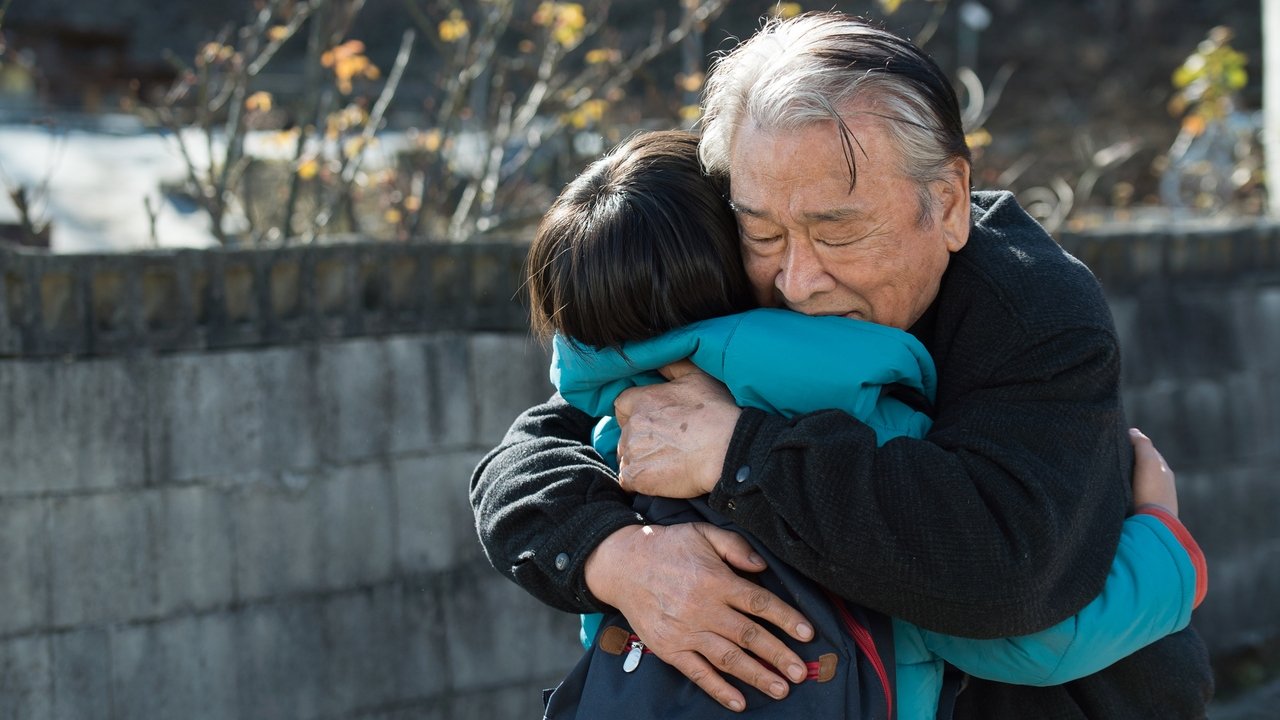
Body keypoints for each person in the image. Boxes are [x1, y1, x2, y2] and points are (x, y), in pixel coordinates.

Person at [471, 12, 1214, 718]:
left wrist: (738, 455)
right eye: (762, 233)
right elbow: (528, 456)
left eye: (839, 231)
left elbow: (1005, 574)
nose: (798, 280)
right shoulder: (728, 281)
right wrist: (618, 557)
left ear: (949, 203)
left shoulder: (1032, 311)